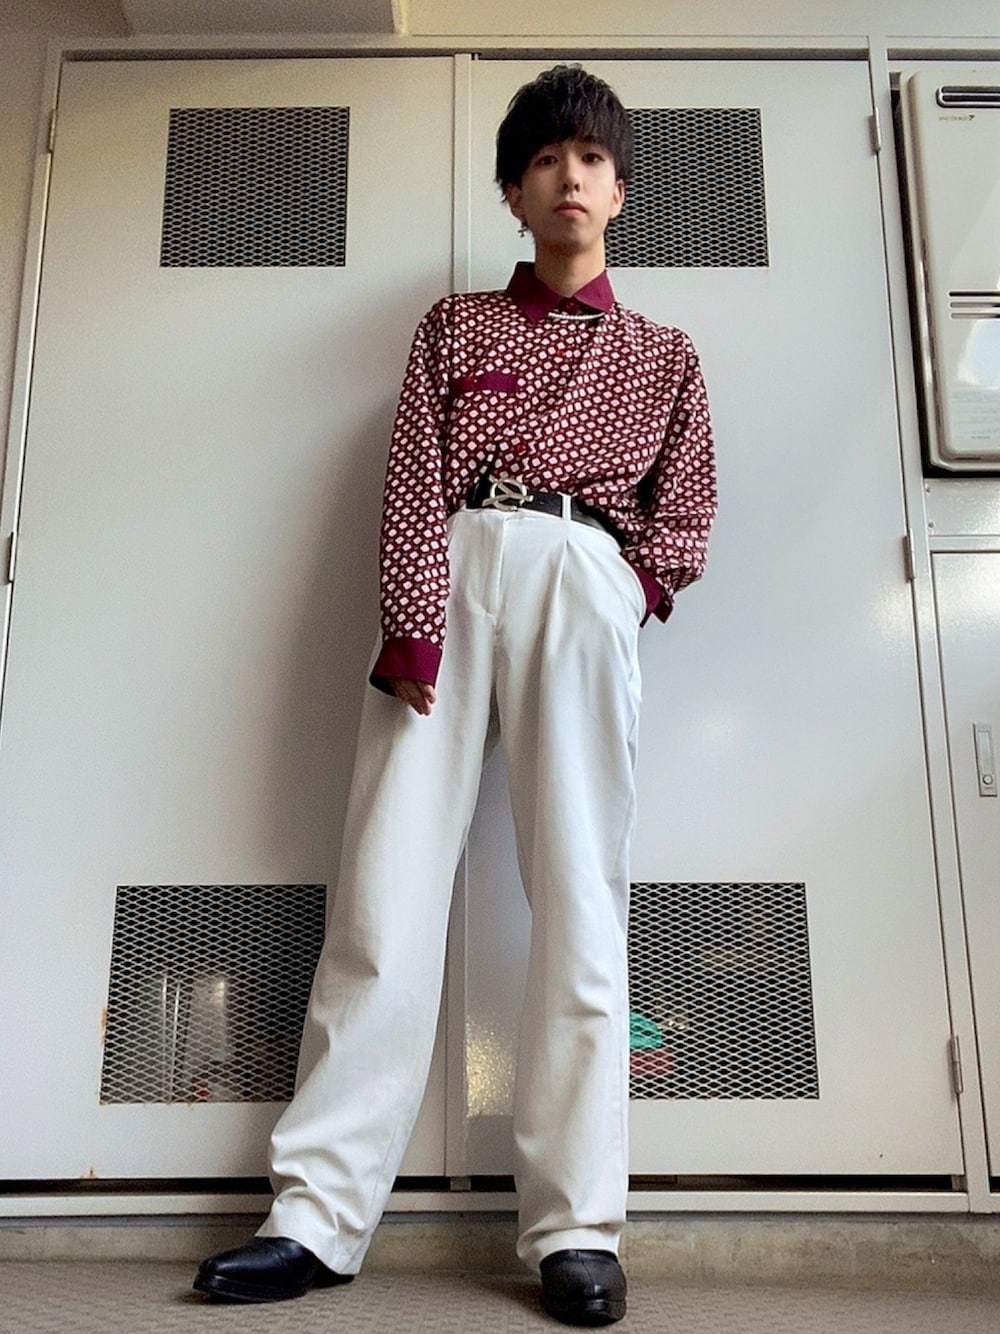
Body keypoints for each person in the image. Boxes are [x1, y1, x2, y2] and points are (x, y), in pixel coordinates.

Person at [194, 63, 716, 1327]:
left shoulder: (664, 354)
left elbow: (686, 510)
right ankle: (315, 1215)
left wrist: (627, 589)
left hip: (585, 579)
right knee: (383, 889)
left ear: (620, 191)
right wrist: (413, 629)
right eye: (544, 159)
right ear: (512, 192)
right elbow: (415, 481)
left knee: (580, 897)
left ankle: (575, 1225)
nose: (569, 177)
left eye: (590, 159)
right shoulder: (455, 326)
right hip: (452, 572)